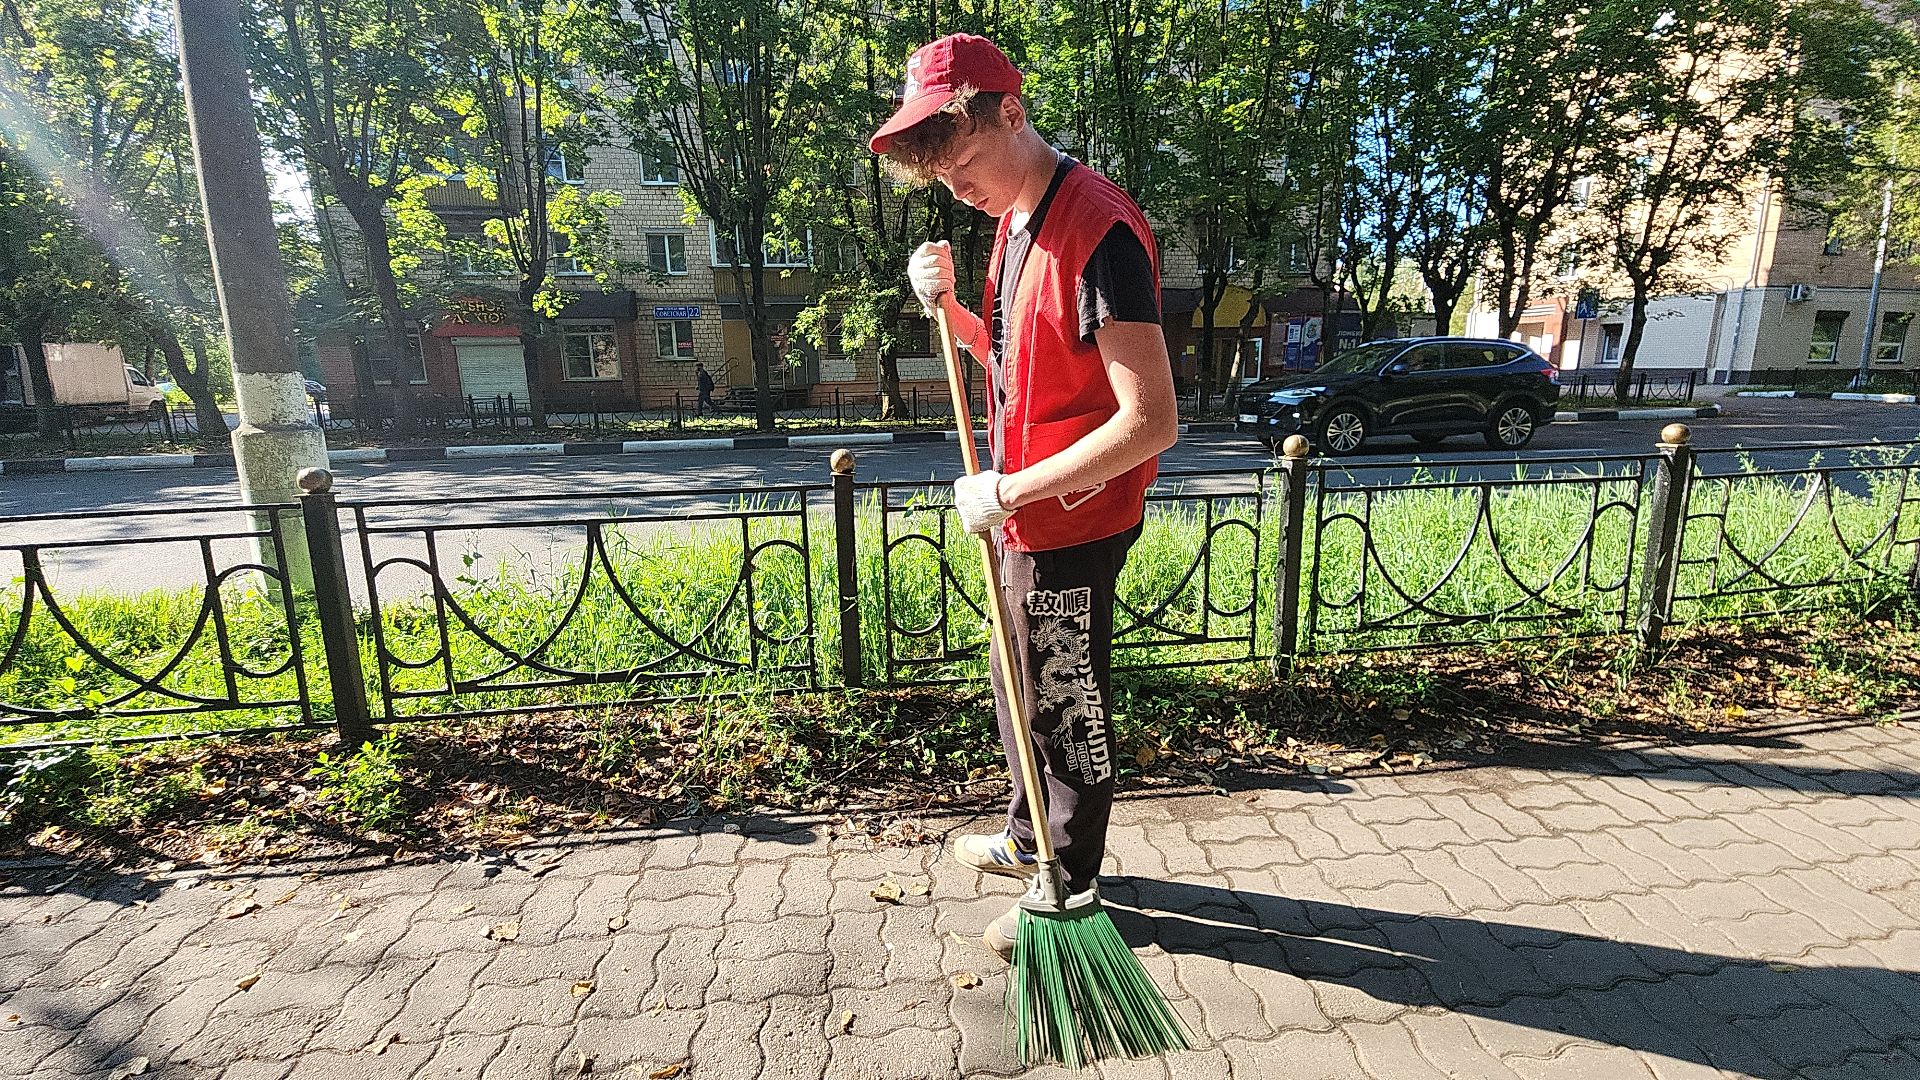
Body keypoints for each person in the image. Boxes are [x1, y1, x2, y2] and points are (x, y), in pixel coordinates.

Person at [870, 33, 1178, 962]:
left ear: (1013, 111)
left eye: (964, 163)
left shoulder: (1100, 233)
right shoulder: (1014, 223)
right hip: (1024, 511)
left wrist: (1009, 489)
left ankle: (1069, 882)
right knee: (1017, 682)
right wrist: (950, 309)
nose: (960, 190)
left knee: (1062, 695)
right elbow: (1014, 365)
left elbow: (1151, 421)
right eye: (945, 181)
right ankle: (1023, 832)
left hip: (1071, 519)